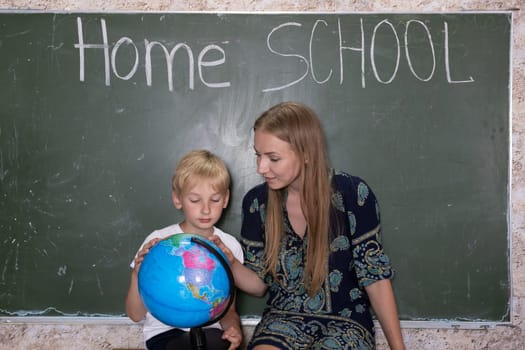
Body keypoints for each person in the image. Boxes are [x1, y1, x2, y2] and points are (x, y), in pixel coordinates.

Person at [211, 102, 405, 350]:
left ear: (306, 154)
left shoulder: (353, 195)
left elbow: (375, 280)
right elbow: (259, 286)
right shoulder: (256, 203)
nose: (261, 168)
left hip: (346, 324)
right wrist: (229, 261)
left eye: (273, 158)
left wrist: (398, 348)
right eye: (258, 155)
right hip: (282, 320)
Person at [126, 149, 244, 350]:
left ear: (225, 199)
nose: (205, 209)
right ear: (177, 199)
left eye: (214, 200)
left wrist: (234, 328)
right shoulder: (158, 242)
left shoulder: (229, 247)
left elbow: (228, 310)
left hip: (211, 331)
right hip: (164, 333)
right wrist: (137, 275)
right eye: (195, 200)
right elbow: (135, 314)